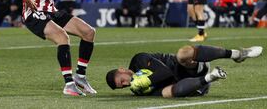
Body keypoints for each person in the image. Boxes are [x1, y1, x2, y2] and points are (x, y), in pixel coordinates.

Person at [106, 45, 263, 97]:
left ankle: (237, 54)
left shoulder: (138, 60)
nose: (126, 84)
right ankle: (211, 77)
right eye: (123, 86)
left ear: (122, 70)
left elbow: (166, 72)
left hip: (191, 66)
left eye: (122, 81)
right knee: (167, 94)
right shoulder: (138, 89)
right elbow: (165, 92)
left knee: (182, 54)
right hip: (192, 86)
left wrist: (148, 80)